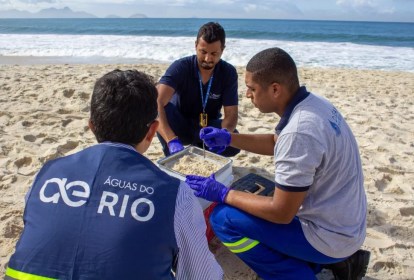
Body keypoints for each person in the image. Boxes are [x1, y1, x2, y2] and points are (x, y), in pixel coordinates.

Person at [5, 69, 223, 280]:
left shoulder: (46, 174)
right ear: (152, 131)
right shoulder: (175, 195)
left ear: (92, 126)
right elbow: (201, 275)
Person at [185, 48, 370, 280]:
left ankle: (296, 274)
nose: (247, 95)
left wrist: (223, 193)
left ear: (275, 89)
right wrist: (230, 138)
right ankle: (326, 263)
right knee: (261, 195)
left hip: (330, 237)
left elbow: (281, 212)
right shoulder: (314, 104)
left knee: (223, 219)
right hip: (346, 224)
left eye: (252, 89)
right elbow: (276, 142)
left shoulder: (299, 132)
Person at [156, 21, 240, 157]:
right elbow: (157, 102)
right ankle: (170, 153)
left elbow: (231, 116)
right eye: (203, 52)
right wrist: (171, 140)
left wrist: (223, 135)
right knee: (160, 108)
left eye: (214, 53)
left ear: (222, 50)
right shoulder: (180, 67)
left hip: (207, 129)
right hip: (180, 125)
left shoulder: (228, 72)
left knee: (233, 141)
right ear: (196, 46)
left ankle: (201, 150)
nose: (208, 58)